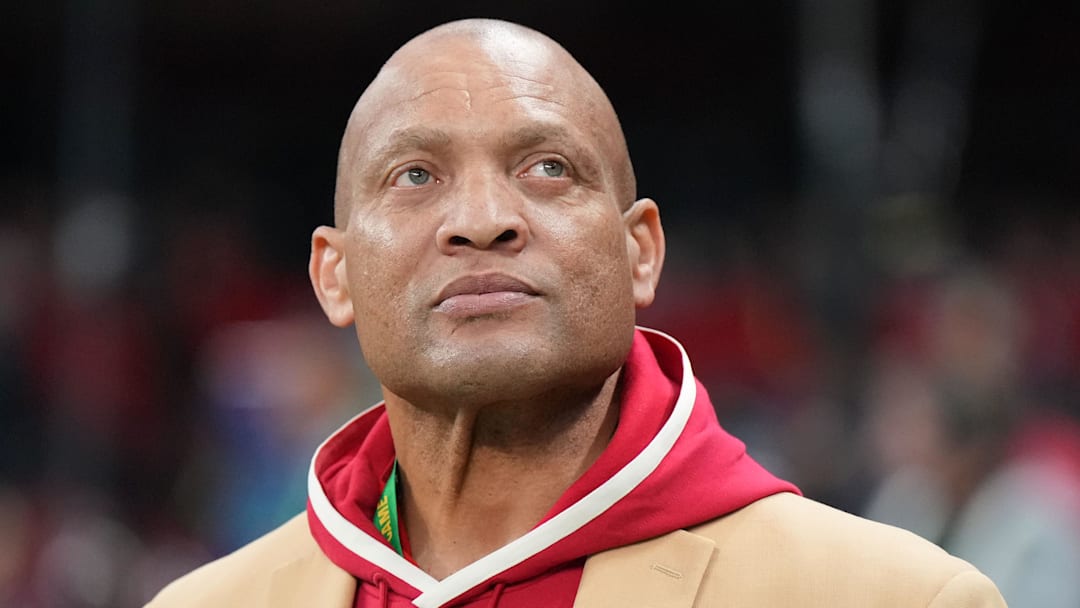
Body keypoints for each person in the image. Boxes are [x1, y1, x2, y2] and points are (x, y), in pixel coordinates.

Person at [148, 18, 1006, 607]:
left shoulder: (896, 598)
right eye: (415, 175)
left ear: (641, 251)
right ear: (333, 276)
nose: (482, 218)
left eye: (547, 167)